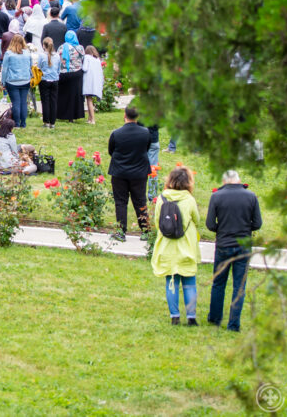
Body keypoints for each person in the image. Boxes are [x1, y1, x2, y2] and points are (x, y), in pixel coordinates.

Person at [206, 170, 263, 332]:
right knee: (239, 286)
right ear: (239, 180)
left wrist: (221, 229)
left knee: (218, 283)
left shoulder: (216, 196)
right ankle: (233, 324)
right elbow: (257, 223)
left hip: (223, 244)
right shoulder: (251, 196)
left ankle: (215, 318)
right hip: (243, 246)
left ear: (224, 181)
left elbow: (210, 224)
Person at [151, 167, 202, 326]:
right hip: (186, 246)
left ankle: (174, 315)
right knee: (189, 283)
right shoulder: (189, 199)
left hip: (167, 247)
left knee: (171, 282)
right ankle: (191, 317)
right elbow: (197, 220)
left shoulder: (162, 198)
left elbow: (157, 222)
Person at [107, 106, 151, 241]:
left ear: (124, 115)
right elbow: (147, 148)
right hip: (139, 172)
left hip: (119, 172)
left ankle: (121, 231)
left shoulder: (116, 133)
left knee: (120, 201)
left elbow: (111, 151)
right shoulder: (145, 133)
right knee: (140, 200)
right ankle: (146, 231)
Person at [0, 35, 31, 129]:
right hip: (25, 80)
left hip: (13, 81)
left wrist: (3, 82)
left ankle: (16, 123)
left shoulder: (9, 54)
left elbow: (4, 69)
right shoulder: (27, 53)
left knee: (16, 103)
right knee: (23, 102)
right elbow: (30, 66)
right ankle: (23, 123)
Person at [56, 30, 85, 122]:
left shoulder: (61, 47)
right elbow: (83, 59)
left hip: (64, 74)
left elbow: (57, 60)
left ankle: (61, 114)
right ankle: (73, 116)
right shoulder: (80, 48)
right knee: (74, 95)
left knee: (63, 95)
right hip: (76, 73)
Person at [36, 37, 60, 129]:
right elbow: (58, 69)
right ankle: (52, 122)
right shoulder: (57, 56)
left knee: (45, 101)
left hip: (44, 79)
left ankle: (46, 121)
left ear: (43, 46)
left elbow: (39, 67)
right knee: (53, 101)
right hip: (54, 80)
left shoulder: (42, 56)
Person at [81, 45, 104, 124]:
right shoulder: (97, 59)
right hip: (96, 82)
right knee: (90, 100)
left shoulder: (87, 57)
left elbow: (85, 68)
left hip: (88, 82)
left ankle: (92, 119)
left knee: (89, 100)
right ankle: (89, 118)